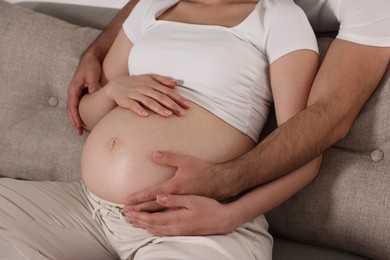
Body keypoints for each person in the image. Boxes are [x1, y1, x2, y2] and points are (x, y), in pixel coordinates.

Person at [0, 0, 321, 259]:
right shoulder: (152, 8)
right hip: (91, 209)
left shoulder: (278, 17)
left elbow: (304, 152)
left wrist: (231, 216)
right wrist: (113, 92)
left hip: (196, 222)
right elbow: (88, 116)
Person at [68, 0, 390, 235]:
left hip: (185, 219)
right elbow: (100, 99)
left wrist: (228, 204)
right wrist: (96, 54)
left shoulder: (285, 17)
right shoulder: (158, 8)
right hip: (92, 206)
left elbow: (321, 122)